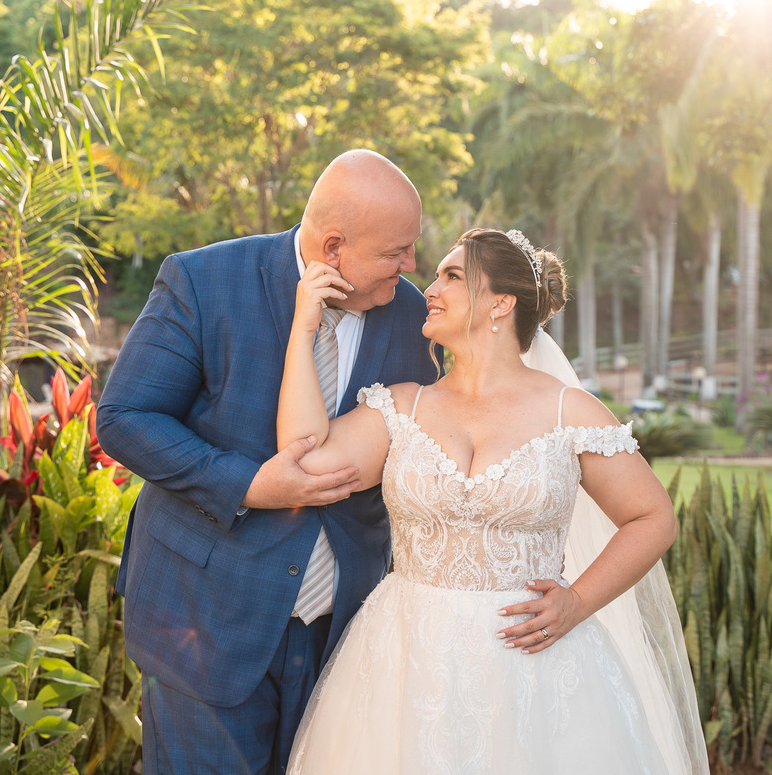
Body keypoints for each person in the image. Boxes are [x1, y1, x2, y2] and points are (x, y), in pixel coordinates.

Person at [277, 228, 709, 774]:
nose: (428, 288)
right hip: (407, 667)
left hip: (535, 668)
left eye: (452, 276)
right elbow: (305, 459)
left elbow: (652, 518)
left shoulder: (569, 412)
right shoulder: (402, 407)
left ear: (501, 303)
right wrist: (303, 327)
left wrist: (576, 601)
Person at [95, 150, 441, 774]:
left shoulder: (412, 313)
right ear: (333, 246)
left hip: (344, 634)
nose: (412, 266)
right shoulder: (203, 281)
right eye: (397, 251)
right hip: (204, 622)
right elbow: (125, 419)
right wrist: (250, 484)